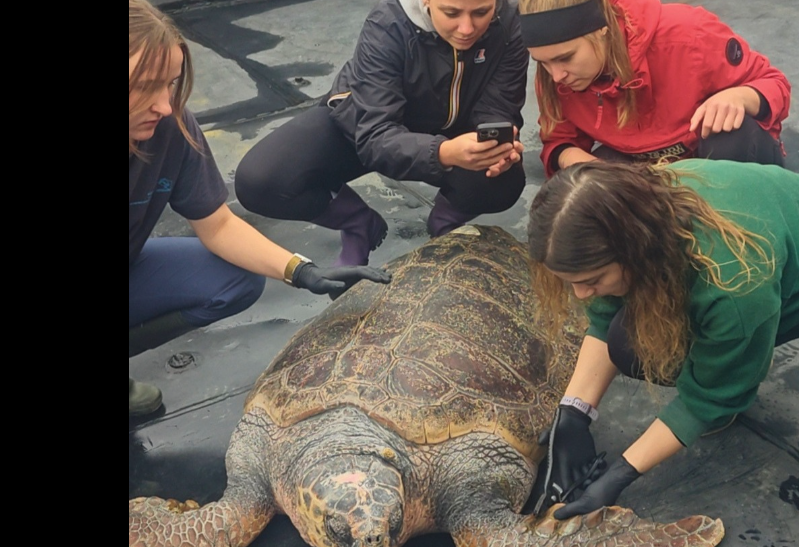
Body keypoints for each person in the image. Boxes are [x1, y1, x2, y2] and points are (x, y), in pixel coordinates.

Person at [527, 159, 799, 519]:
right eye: (569, 281)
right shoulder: (630, 212)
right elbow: (605, 319)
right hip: (769, 278)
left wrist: (621, 473)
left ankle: (740, 351)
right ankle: (737, 348)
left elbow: (710, 397)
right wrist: (574, 412)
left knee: (726, 371)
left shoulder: (731, 281)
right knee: (628, 343)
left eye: (591, 279)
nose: (579, 294)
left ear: (634, 250)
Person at [129, 0, 392, 417]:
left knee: (236, 279)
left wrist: (303, 271)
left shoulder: (170, 127)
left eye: (171, 84)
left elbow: (216, 225)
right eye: (144, 86)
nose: (164, 104)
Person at [234, 0, 530, 266]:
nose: (467, 28)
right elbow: (376, 135)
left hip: (453, 132)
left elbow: (498, 108)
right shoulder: (387, 24)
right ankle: (357, 223)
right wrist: (443, 153)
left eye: (481, 12)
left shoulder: (509, 25)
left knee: (502, 178)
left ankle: (444, 225)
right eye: (451, 13)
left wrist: (495, 147)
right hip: (365, 125)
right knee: (261, 181)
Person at [517, 0, 791, 177]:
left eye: (566, 58)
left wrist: (739, 97)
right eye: (542, 62)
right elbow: (559, 141)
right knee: (577, 185)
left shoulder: (688, 34)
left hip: (716, 158)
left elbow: (775, 84)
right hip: (641, 170)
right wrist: (580, 164)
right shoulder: (555, 75)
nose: (556, 75)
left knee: (730, 134)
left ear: (601, 30)